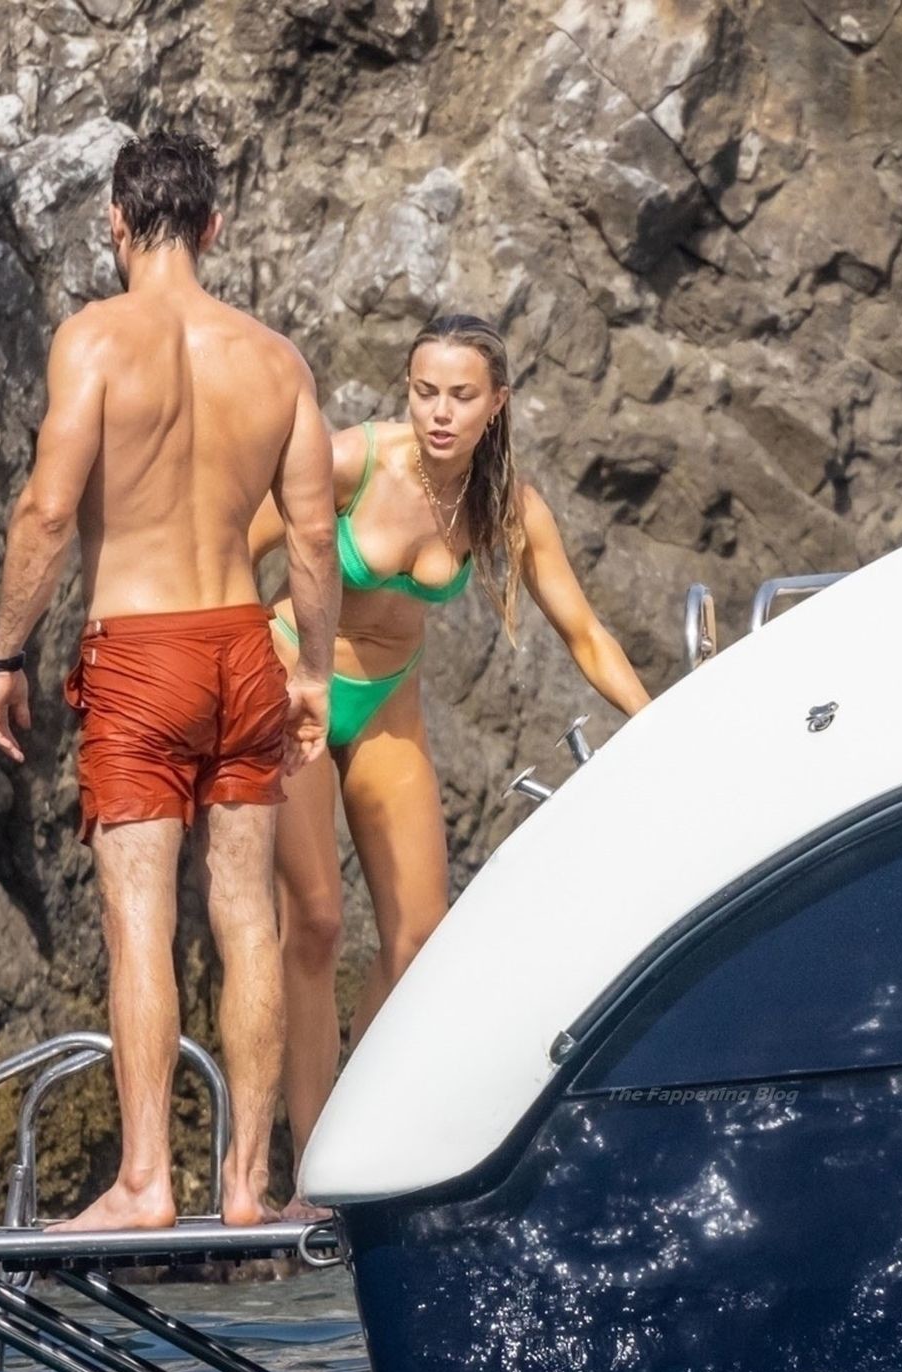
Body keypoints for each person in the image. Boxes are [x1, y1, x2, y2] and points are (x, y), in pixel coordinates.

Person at [0, 131, 341, 1231]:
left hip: (140, 652)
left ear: (116, 223)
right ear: (214, 227)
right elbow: (313, 535)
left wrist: (6, 653)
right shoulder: (275, 360)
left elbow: (49, 511)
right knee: (247, 917)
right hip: (243, 644)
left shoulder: (93, 340)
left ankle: (145, 1179)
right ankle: (248, 1183)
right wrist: (313, 671)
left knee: (140, 919)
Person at [248, 315, 652, 1205]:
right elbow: (236, 555)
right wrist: (242, 683)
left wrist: (658, 721)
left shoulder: (505, 505)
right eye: (425, 391)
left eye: (461, 396)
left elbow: (585, 633)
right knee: (315, 922)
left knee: (419, 936)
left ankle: (356, 1125)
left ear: (496, 403)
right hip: (292, 684)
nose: (439, 412)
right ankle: (309, 1172)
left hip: (390, 698)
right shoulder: (349, 462)